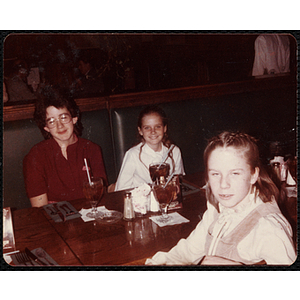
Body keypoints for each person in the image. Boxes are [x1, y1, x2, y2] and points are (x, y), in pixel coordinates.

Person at [146, 132, 296, 265]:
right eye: (215, 174)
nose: (223, 185)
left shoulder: (267, 228)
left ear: (253, 175)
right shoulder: (218, 209)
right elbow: (188, 252)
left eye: (235, 173)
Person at [23, 87, 107, 207]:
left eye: (63, 117)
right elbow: (39, 208)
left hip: (90, 215)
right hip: (56, 219)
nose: (59, 126)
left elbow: (101, 196)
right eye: (51, 121)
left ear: (74, 119)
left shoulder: (92, 149)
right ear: (46, 127)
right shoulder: (36, 155)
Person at [115, 105, 185, 191]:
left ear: (165, 128)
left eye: (158, 126)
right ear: (140, 131)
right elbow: (121, 189)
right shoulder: (133, 155)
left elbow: (179, 182)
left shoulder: (174, 151)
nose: (153, 131)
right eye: (147, 128)